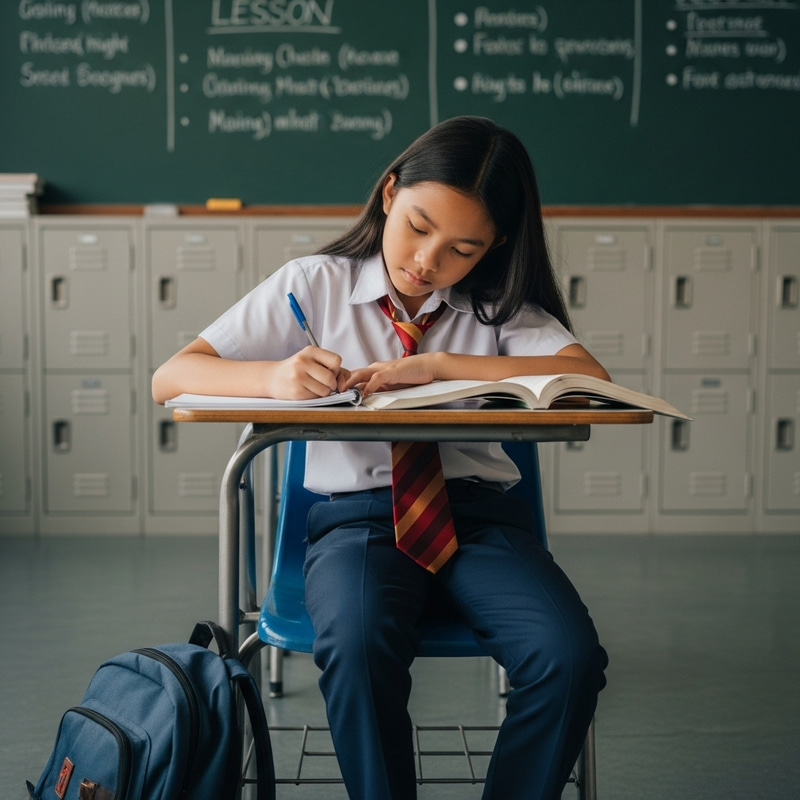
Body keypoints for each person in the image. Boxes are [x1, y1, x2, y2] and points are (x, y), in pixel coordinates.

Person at [153, 115, 610, 800]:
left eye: (463, 247)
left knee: (568, 657)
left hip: (480, 520)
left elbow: (591, 381)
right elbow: (173, 376)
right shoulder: (315, 285)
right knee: (358, 648)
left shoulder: (495, 307)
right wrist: (273, 379)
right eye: (420, 226)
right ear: (391, 192)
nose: (429, 261)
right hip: (356, 522)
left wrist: (440, 368)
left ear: (496, 246)